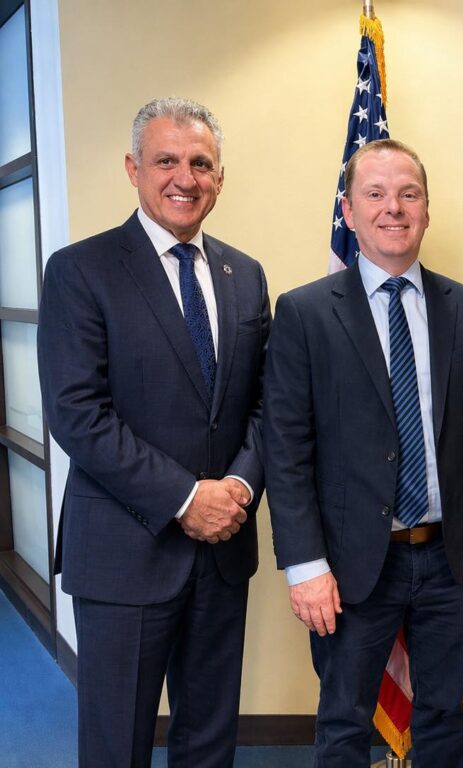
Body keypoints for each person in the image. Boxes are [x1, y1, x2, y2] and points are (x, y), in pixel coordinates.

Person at [263, 139, 463, 767]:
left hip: (451, 560)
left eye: (408, 194)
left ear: (427, 209)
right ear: (348, 212)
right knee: (343, 719)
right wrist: (304, 566)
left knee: (443, 715)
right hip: (349, 566)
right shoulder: (304, 313)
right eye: (374, 194)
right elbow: (286, 450)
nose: (393, 208)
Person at [37, 97, 270, 768]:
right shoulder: (80, 270)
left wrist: (237, 488)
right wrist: (185, 498)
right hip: (124, 553)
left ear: (219, 177)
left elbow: (266, 405)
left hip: (223, 551)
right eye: (166, 160)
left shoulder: (245, 274)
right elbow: (78, 413)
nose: (184, 178)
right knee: (117, 747)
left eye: (201, 163)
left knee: (209, 743)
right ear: (132, 168)